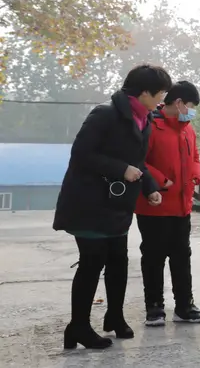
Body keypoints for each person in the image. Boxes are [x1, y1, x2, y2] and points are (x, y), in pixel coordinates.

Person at [54, 63, 172, 350]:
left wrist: (149, 188)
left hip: (116, 204)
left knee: (118, 261)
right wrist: (121, 170)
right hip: (89, 204)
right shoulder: (105, 114)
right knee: (92, 262)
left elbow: (138, 161)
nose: (162, 100)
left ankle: (114, 317)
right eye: (160, 94)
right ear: (144, 92)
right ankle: (78, 326)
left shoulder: (143, 119)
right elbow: (81, 155)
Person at [135, 80, 200, 328]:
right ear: (178, 103)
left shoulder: (188, 129)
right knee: (154, 256)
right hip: (154, 205)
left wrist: (196, 174)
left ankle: (185, 306)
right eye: (190, 106)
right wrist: (160, 181)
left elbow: (195, 155)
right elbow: (138, 160)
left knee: (181, 256)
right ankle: (154, 308)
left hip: (181, 206)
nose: (192, 111)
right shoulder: (150, 126)